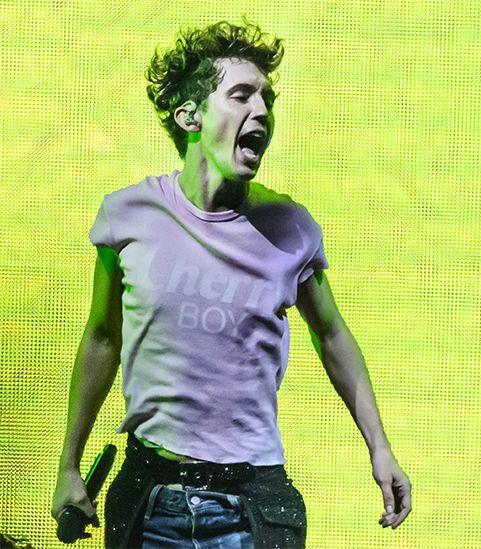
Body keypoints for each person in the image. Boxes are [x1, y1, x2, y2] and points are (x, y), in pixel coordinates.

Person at [50, 21, 411, 547]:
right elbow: (103, 337)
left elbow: (333, 337)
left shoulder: (291, 227)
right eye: (241, 95)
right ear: (189, 115)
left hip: (254, 505)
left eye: (267, 99)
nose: (262, 111)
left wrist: (379, 446)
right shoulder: (127, 216)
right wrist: (69, 465)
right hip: (151, 501)